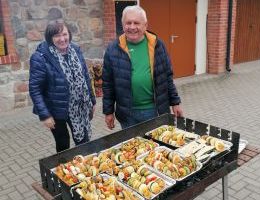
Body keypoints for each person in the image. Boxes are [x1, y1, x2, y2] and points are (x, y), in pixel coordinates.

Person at [102, 5, 183, 130]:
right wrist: (108, 112)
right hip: (127, 113)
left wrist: (175, 103)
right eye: (128, 23)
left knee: (156, 146)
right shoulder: (113, 49)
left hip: (154, 110)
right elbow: (108, 83)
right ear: (123, 25)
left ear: (145, 25)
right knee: (132, 148)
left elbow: (166, 76)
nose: (132, 27)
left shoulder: (157, 44)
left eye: (136, 23)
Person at [29, 20, 96, 153]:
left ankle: (83, 167)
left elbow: (86, 77)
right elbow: (35, 89)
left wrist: (92, 101)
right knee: (63, 143)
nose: (62, 39)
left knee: (83, 140)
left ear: (69, 34)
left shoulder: (75, 50)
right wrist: (45, 115)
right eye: (57, 36)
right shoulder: (40, 57)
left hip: (79, 105)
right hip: (56, 110)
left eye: (64, 34)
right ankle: (64, 169)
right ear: (50, 38)